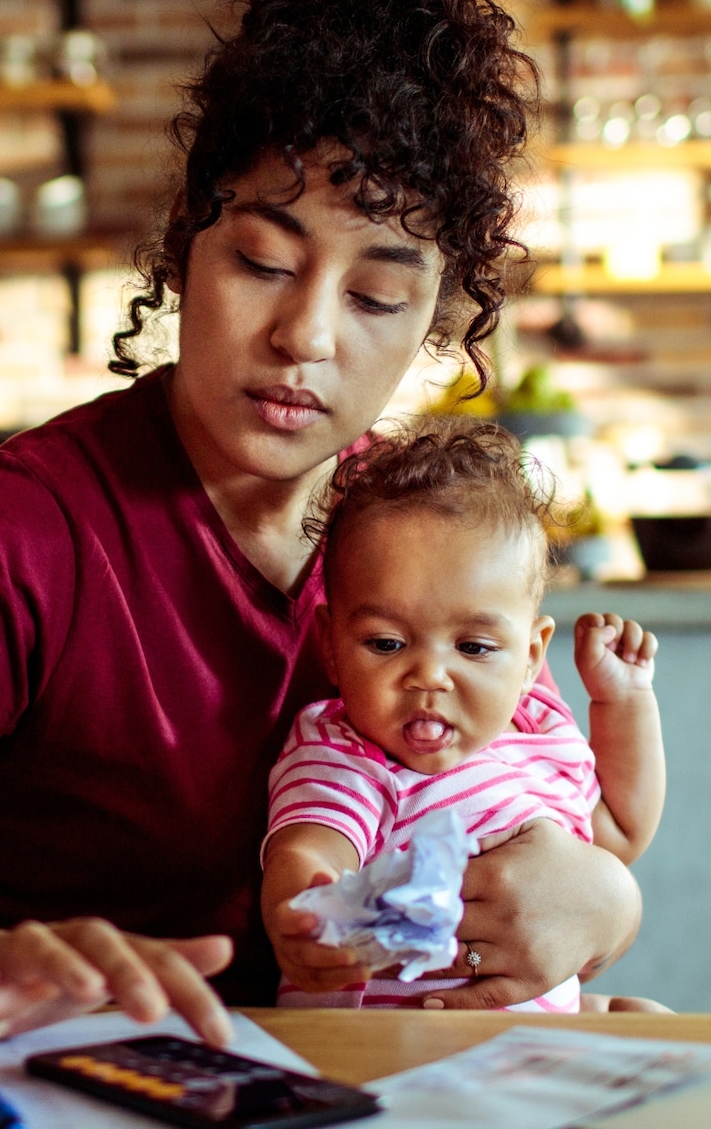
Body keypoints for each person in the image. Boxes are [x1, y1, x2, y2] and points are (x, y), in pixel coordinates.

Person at [0, 0, 645, 1052]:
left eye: (377, 297)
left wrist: (602, 905)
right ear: (185, 245)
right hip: (67, 1078)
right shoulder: (21, 532)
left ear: (435, 320)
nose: (303, 335)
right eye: (262, 263)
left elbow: (540, 814)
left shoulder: (427, 536)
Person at [259, 419, 664, 1012]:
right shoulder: (348, 753)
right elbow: (312, 846)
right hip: (392, 1046)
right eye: (387, 643)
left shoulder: (538, 732)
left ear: (530, 657)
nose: (430, 676)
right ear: (331, 647)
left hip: (524, 1045)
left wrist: (623, 704)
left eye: (473, 648)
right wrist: (304, 907)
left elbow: (621, 834)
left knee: (646, 1020)